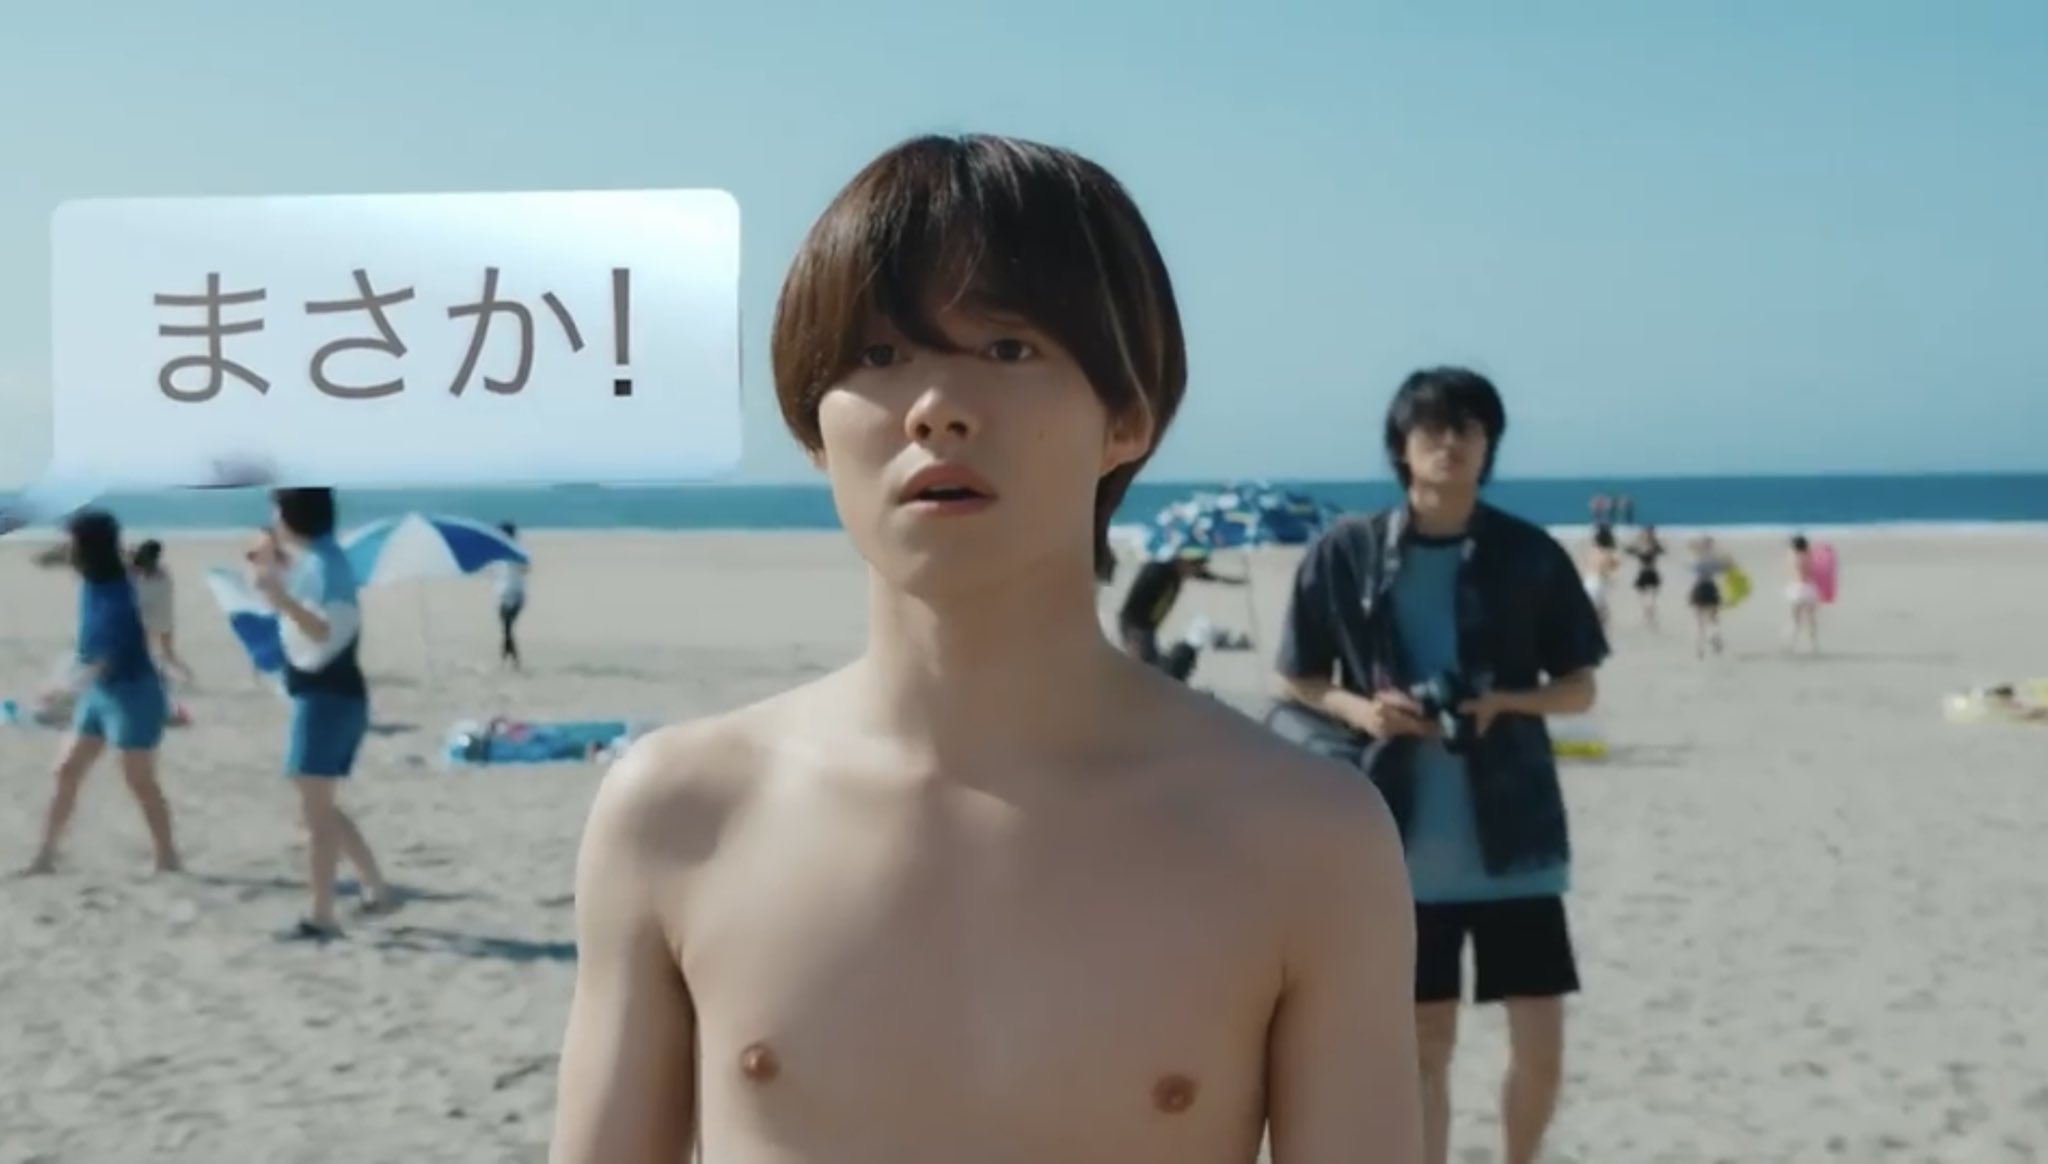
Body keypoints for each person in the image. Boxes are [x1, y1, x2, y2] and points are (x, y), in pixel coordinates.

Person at [549, 133, 1421, 1164]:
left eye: (1008, 349)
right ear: (813, 432)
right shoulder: (680, 813)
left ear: (1126, 417)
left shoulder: (1302, 835)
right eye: (879, 356)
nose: (936, 408)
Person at [1269, 367, 1609, 1164]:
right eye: (1432, 429)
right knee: (1424, 1046)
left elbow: (1581, 688)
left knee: (1541, 1046)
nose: (1450, 443)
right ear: (1401, 446)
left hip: (1516, 840)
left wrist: (1502, 702)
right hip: (1400, 845)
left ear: (1489, 445)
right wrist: (1364, 712)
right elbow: (1296, 676)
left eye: (1468, 429)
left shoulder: (1527, 554)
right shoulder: (1347, 551)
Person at [249, 487, 393, 939]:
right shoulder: (319, 560)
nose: (273, 521)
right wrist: (272, 571)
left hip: (328, 697)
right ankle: (375, 888)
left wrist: (281, 600)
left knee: (316, 813)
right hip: (326, 694)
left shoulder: (327, 565)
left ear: (294, 517)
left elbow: (326, 631)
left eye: (277, 513)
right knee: (318, 805)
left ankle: (322, 914)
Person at [23, 509, 182, 875]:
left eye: (72, 543)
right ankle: (45, 856)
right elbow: (55, 558)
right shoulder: (94, 577)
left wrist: (60, 689)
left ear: (88, 548)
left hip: (133, 694)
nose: (67, 549)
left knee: (138, 779)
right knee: (66, 770)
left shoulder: (119, 595)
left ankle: (167, 855)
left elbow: (105, 658)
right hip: (100, 693)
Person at [1115, 552, 1243, 682]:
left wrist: (1227, 580)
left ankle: (1196, 638)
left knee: (1154, 671)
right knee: (1151, 670)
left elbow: (1202, 574)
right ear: (1182, 561)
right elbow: (1132, 604)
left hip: (1146, 628)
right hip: (1136, 627)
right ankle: (1197, 636)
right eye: (1194, 567)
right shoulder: (1157, 572)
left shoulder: (1177, 572)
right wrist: (1135, 637)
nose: (1192, 573)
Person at [129, 539, 196, 687]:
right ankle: (187, 676)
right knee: (168, 653)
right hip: (165, 619)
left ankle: (160, 678)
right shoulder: (163, 573)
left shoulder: (136, 572)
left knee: (146, 653)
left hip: (146, 619)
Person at [492, 521, 529, 670]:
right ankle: (510, 661)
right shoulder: (497, 552)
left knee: (507, 628)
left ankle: (512, 661)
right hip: (502, 594)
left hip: (516, 594)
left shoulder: (518, 551)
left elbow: (525, 568)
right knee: (506, 629)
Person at [1686, 535, 1730, 659]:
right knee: (1713, 617)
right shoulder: (1714, 558)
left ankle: (1700, 648)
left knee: (1699, 621)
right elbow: (1724, 568)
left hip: (1700, 587)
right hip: (1711, 587)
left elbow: (1692, 567)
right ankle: (1714, 635)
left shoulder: (1698, 558)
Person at [1784, 533, 1821, 655]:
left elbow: (1790, 553)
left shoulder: (1793, 557)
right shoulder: (1809, 556)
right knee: (1811, 619)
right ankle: (1813, 644)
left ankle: (1791, 643)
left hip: (1797, 588)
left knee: (1795, 619)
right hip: (1809, 588)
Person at [1580, 525, 1621, 629]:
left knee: (1601, 612)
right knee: (1600, 614)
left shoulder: (1593, 551)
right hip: (1598, 584)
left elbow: (1589, 565)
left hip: (1588, 581)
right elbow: (1611, 567)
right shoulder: (1607, 553)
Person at [1627, 524, 1665, 629]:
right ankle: (1650, 616)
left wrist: (1637, 539)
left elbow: (1628, 550)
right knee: (1652, 597)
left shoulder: (1641, 547)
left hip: (1643, 572)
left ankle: (1647, 614)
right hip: (1652, 572)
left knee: (1642, 596)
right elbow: (1663, 551)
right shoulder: (1654, 545)